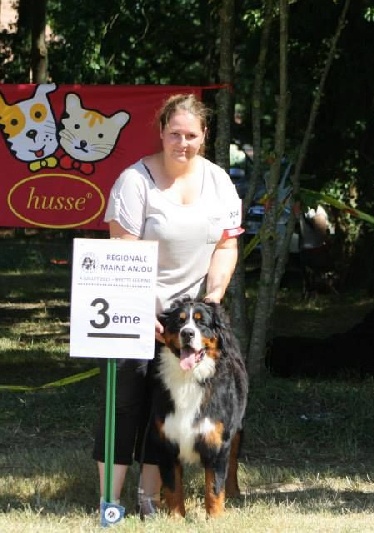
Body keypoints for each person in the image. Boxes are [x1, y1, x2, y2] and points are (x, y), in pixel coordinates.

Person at [93, 93, 243, 518]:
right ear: (161, 132)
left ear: (204, 136)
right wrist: (141, 311)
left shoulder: (219, 183)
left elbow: (226, 246)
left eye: (191, 135)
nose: (182, 142)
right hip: (137, 306)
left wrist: (213, 297)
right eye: (174, 133)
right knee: (125, 402)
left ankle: (150, 501)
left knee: (169, 416)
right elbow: (121, 250)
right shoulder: (134, 181)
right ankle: (110, 501)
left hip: (192, 318)